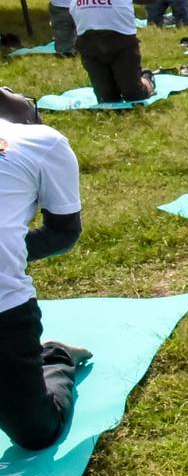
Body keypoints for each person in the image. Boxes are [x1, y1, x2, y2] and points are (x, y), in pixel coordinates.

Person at [0, 87, 90, 452]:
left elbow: (63, 231)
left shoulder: (40, 142)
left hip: (5, 309)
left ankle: (53, 356)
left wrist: (9, 256)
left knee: (36, 432)